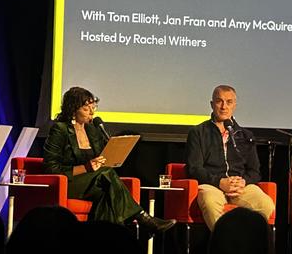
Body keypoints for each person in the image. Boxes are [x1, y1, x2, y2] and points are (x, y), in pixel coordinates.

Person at [43, 86, 175, 234]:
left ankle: (107, 238)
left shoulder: (92, 130)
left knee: (108, 195)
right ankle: (142, 218)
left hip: (93, 182)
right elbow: (50, 167)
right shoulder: (60, 129)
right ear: (73, 109)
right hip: (67, 183)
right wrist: (86, 167)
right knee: (107, 174)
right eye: (87, 109)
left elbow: (102, 159)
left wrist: (114, 152)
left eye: (94, 107)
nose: (92, 112)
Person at [186, 85, 275, 230]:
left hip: (240, 187)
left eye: (229, 102)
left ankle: (245, 244)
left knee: (265, 203)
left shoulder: (245, 136)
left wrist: (243, 182)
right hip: (212, 184)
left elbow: (255, 171)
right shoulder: (198, 133)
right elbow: (194, 169)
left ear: (235, 105)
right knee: (209, 202)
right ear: (212, 104)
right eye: (219, 101)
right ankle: (223, 244)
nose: (223, 107)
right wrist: (220, 182)